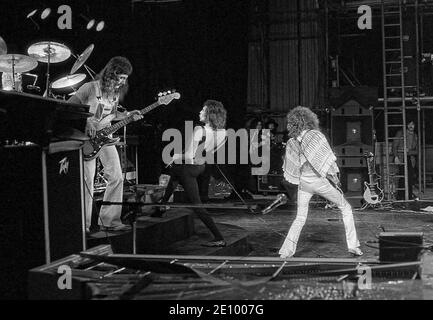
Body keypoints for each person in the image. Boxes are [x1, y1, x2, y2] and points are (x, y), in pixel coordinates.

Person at [68, 56, 143, 232]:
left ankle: (110, 221)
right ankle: (83, 227)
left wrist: (127, 115)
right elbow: (68, 108)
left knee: (116, 176)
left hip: (106, 137)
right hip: (87, 139)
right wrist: (86, 122)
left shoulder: (115, 94)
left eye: (125, 79)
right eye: (121, 78)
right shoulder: (89, 88)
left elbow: (112, 114)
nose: (123, 82)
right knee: (88, 181)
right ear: (111, 74)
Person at [279, 106, 363, 258]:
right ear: (309, 120)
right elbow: (326, 160)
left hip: (304, 184)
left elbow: (293, 167)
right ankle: (354, 246)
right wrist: (335, 178)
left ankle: (286, 251)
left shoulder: (292, 142)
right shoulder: (315, 136)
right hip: (319, 181)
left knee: (300, 218)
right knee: (346, 208)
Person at [154, 100, 227, 247]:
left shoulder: (200, 130)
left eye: (203, 110)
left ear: (209, 114)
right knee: (175, 171)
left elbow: (188, 156)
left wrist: (175, 156)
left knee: (197, 205)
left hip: (189, 168)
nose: (200, 112)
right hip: (200, 167)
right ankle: (161, 207)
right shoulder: (223, 132)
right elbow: (209, 153)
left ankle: (219, 237)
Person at [392, 121, 418, 200]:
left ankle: (409, 196)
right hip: (401, 157)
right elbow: (394, 146)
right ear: (406, 125)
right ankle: (400, 196)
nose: (411, 126)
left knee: (410, 177)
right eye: (409, 124)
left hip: (410, 158)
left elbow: (417, 151)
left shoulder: (415, 136)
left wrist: (408, 151)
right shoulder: (400, 133)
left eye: (413, 124)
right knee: (402, 176)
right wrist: (396, 157)